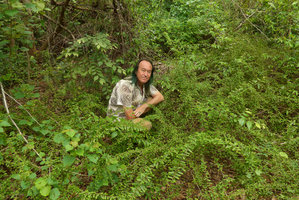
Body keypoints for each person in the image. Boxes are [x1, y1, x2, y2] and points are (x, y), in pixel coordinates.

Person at [107, 59, 164, 130]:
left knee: (151, 99)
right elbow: (130, 116)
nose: (145, 74)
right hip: (118, 121)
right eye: (143, 70)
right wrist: (144, 109)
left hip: (133, 115)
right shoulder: (125, 85)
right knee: (147, 124)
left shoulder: (146, 85)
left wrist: (144, 106)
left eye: (149, 72)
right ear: (136, 71)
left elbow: (160, 97)